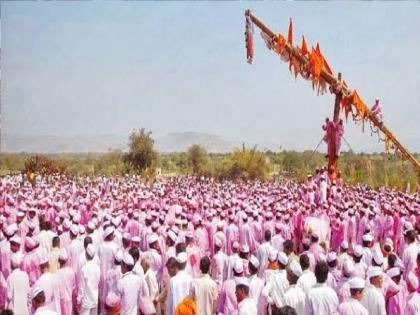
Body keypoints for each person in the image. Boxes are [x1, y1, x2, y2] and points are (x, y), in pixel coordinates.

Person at [77, 244, 100, 315]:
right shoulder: (97, 268)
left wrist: (79, 300)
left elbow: (81, 287)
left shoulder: (84, 269)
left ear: (86, 255)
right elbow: (97, 282)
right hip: (94, 298)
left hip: (86, 300)